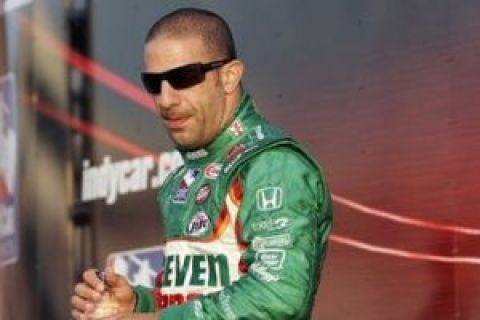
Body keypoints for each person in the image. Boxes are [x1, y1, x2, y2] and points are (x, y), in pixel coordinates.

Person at [71, 7, 333, 320]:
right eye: (154, 83)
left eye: (183, 77)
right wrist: (138, 304)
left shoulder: (272, 164)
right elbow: (196, 298)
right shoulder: (184, 177)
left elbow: (276, 296)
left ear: (229, 76)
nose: (166, 99)